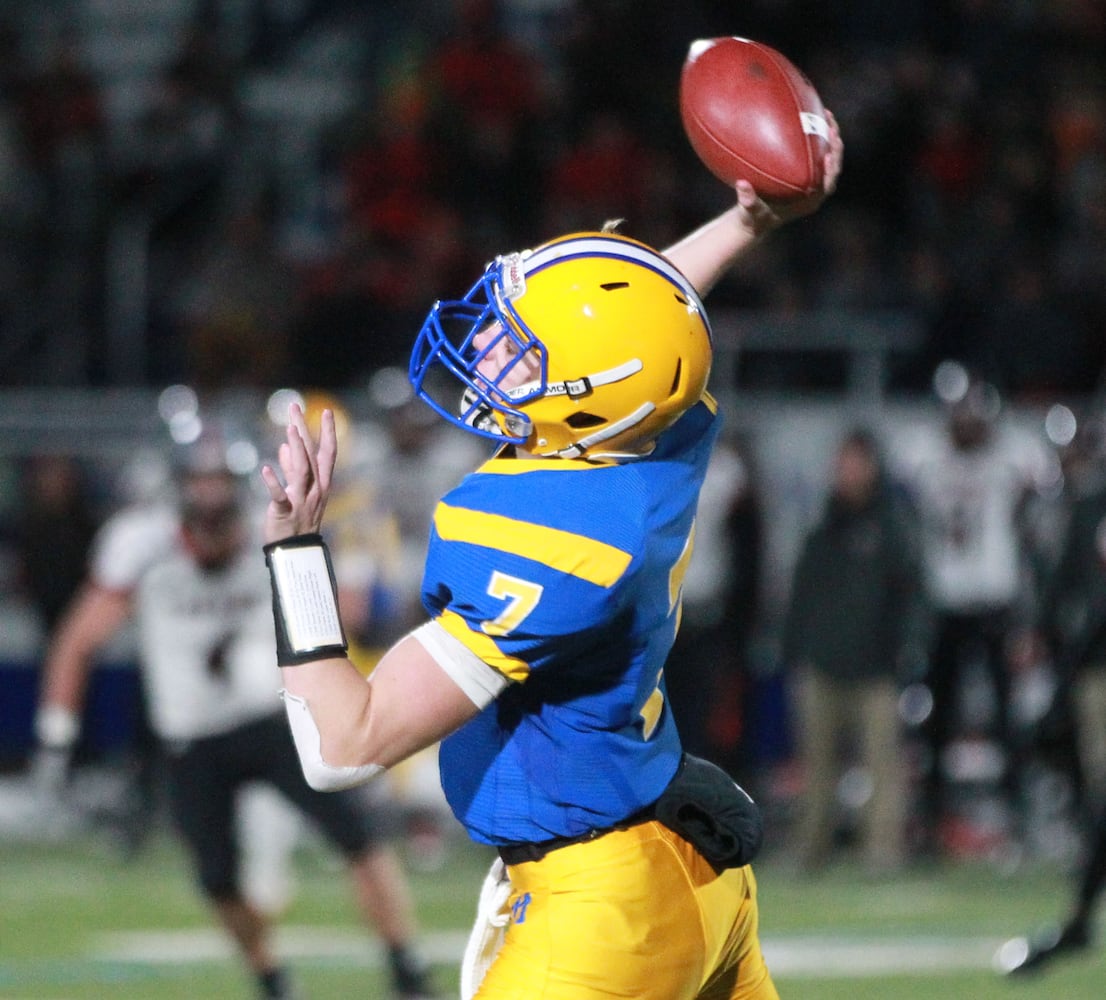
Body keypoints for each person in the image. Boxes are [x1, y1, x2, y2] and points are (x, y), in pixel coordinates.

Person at [257, 106, 842, 999]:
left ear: (585, 395)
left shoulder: (549, 539)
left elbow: (342, 745)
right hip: (686, 860)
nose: (489, 347)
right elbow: (646, 323)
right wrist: (746, 221)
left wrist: (295, 549)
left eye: (521, 349)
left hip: (602, 916)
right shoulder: (647, 437)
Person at [33, 445, 438, 1000]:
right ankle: (271, 978)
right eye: (201, 500)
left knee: (358, 837)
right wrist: (57, 734)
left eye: (221, 494)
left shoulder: (266, 532)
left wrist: (346, 561)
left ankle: (405, 968)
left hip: (271, 719)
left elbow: (350, 612)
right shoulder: (142, 547)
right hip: (190, 735)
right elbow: (79, 640)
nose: (213, 522)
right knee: (217, 877)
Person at [781, 427, 926, 875]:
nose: (847, 472)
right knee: (815, 768)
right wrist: (795, 650)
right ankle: (811, 849)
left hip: (876, 667)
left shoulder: (893, 525)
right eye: (842, 463)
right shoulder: (822, 524)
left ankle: (881, 853)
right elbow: (801, 594)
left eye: (855, 462)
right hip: (821, 664)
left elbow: (912, 594)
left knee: (883, 768)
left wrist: (908, 653)